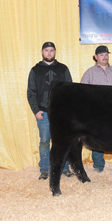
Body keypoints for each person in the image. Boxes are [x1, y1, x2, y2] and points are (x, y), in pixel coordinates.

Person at [80, 45, 112, 172]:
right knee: (97, 138)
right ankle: (98, 165)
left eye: (106, 54)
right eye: (102, 55)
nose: (105, 57)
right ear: (95, 57)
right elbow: (81, 94)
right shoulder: (89, 73)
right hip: (97, 112)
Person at [27, 42, 75, 180]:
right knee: (45, 141)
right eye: (46, 50)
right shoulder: (35, 70)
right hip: (44, 113)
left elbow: (70, 91)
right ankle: (45, 169)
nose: (49, 53)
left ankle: (64, 168)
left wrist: (67, 112)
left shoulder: (63, 69)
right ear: (42, 52)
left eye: (51, 50)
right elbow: (31, 92)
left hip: (61, 114)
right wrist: (36, 110)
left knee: (62, 141)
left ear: (55, 52)